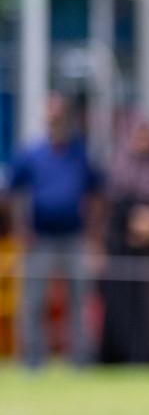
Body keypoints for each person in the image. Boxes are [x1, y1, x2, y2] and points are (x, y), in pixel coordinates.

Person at [9, 93, 101, 368]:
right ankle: (33, 360)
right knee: (34, 301)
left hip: (74, 236)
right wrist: (20, 227)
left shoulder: (80, 152)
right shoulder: (30, 153)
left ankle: (81, 360)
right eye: (51, 117)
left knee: (80, 301)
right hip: (40, 237)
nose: (55, 122)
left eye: (59, 116)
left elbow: (96, 194)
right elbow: (14, 193)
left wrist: (92, 232)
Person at [100, 118, 149, 365]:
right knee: (124, 307)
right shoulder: (120, 167)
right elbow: (111, 208)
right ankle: (124, 356)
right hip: (125, 250)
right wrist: (132, 223)